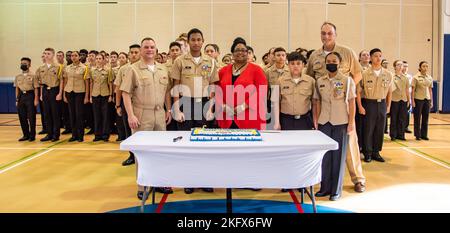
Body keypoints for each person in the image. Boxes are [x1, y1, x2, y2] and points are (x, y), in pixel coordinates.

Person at [306, 22, 365, 193]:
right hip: (323, 106)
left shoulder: (347, 52)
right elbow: (310, 78)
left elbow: (358, 73)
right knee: (325, 148)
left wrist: (347, 90)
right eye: (323, 33)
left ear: (335, 34)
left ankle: (358, 179)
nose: (326, 36)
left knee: (350, 145)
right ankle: (326, 183)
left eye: (330, 33)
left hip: (343, 106)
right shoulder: (315, 56)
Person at [121, 37, 173, 199]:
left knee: (160, 150)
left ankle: (159, 182)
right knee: (142, 152)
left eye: (152, 47)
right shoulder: (133, 69)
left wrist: (169, 109)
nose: (149, 50)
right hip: (142, 115)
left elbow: (166, 92)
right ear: (141, 50)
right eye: (146, 47)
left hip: (159, 114)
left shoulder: (162, 69)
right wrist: (130, 115)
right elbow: (125, 93)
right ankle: (142, 185)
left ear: (156, 50)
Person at [215, 37, 268, 192]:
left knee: (249, 151)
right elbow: (217, 91)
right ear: (232, 53)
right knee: (231, 151)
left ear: (248, 53)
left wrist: (243, 106)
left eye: (243, 50)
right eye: (237, 50)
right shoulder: (223, 71)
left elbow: (261, 91)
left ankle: (252, 180)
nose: (240, 53)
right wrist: (223, 106)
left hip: (249, 118)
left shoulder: (256, 70)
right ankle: (232, 179)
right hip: (228, 117)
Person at [171, 28, 219, 194]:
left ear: (203, 40)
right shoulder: (179, 61)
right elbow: (176, 86)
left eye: (199, 39)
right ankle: (189, 180)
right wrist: (176, 109)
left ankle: (204, 179)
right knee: (187, 143)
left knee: (203, 143)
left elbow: (213, 86)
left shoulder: (211, 62)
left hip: (204, 104)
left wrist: (211, 108)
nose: (196, 42)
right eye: (193, 40)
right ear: (188, 42)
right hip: (186, 103)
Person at [313, 51, 356, 201]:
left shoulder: (347, 80)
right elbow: (317, 102)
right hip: (324, 122)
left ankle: (336, 191)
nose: (331, 63)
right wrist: (316, 121)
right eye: (328, 61)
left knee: (338, 156)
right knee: (325, 156)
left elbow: (351, 102)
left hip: (340, 122)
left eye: (334, 61)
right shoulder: (320, 81)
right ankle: (325, 188)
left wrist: (351, 123)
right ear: (325, 63)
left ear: (339, 63)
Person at [272, 51, 316, 193]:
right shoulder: (280, 81)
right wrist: (277, 122)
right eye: (292, 64)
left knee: (302, 153)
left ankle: (302, 182)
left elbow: (315, 103)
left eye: (298, 63)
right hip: (286, 120)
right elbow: (276, 102)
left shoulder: (311, 81)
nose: (295, 66)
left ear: (303, 65)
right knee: (287, 152)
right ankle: (287, 181)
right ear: (288, 65)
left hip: (304, 120)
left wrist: (315, 123)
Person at [357, 48, 393, 163]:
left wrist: (388, 106)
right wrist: (360, 106)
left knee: (380, 129)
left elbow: (390, 91)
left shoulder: (388, 74)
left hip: (381, 103)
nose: (378, 58)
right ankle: (367, 152)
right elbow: (357, 91)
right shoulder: (364, 73)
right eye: (376, 56)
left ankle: (376, 152)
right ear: (371, 58)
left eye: (380, 56)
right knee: (368, 129)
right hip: (369, 103)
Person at [115, 44, 141, 166]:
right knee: (128, 130)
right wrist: (118, 105)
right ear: (129, 54)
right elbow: (118, 88)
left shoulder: (144, 67)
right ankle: (131, 156)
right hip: (127, 104)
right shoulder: (123, 69)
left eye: (136, 52)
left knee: (141, 131)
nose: (134, 54)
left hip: (141, 104)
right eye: (132, 52)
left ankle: (142, 157)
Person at [35, 48, 64, 142]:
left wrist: (60, 93)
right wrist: (41, 95)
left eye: (48, 54)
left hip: (54, 91)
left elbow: (61, 81)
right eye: (45, 54)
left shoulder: (58, 67)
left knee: (55, 114)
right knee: (46, 114)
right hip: (45, 91)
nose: (46, 55)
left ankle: (56, 135)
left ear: (53, 55)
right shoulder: (41, 68)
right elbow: (40, 82)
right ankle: (49, 133)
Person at [62, 51, 90, 142]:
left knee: (79, 114)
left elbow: (87, 83)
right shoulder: (67, 68)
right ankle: (74, 135)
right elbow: (65, 81)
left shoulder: (84, 68)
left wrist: (86, 96)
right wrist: (64, 95)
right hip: (69, 92)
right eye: (72, 56)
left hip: (80, 92)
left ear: (79, 57)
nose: (73, 57)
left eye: (75, 55)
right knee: (72, 114)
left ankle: (80, 135)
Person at [89, 53, 113, 142]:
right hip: (95, 94)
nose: (98, 60)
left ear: (103, 60)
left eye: (100, 58)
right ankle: (97, 135)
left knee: (105, 116)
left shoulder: (108, 70)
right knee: (96, 115)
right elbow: (91, 83)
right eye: (97, 58)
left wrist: (110, 95)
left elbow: (110, 83)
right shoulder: (92, 70)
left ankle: (105, 135)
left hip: (105, 94)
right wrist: (90, 96)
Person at [15, 57, 39, 142]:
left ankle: (32, 135)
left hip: (30, 96)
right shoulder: (18, 76)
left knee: (31, 117)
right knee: (22, 117)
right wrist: (17, 100)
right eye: (22, 63)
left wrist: (36, 99)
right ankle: (25, 135)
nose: (23, 65)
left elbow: (36, 88)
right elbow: (17, 88)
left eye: (25, 63)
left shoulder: (33, 75)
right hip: (21, 96)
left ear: (29, 65)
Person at [412, 61, 433, 141]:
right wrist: (412, 101)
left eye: (427, 66)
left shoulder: (429, 77)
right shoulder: (416, 77)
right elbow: (413, 90)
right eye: (423, 66)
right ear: (420, 67)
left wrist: (431, 101)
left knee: (425, 118)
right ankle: (417, 134)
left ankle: (424, 134)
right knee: (417, 118)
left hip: (426, 99)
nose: (425, 68)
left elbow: (430, 90)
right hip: (418, 99)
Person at [390, 60, 410, 141]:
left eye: (401, 65)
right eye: (398, 64)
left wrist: (408, 100)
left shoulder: (405, 78)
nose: (400, 66)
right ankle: (393, 135)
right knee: (394, 118)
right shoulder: (392, 76)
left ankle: (401, 134)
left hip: (403, 99)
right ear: (394, 66)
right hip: (394, 100)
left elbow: (406, 90)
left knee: (402, 118)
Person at [165, 42, 182, 131]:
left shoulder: (184, 64)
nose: (175, 52)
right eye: (172, 50)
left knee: (180, 123)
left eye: (177, 50)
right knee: (170, 124)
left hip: (180, 97)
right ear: (169, 52)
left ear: (180, 51)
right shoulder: (164, 66)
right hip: (168, 97)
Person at [402, 61, 413, 133]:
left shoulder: (410, 77)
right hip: (400, 96)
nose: (405, 68)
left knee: (408, 113)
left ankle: (406, 127)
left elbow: (412, 88)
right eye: (404, 66)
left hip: (408, 96)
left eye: (406, 66)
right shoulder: (397, 76)